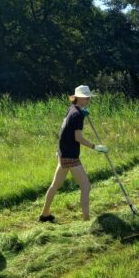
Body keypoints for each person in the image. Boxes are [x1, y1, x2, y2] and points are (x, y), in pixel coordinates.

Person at [40, 85, 103, 223]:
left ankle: (44, 214)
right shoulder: (77, 115)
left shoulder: (72, 110)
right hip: (69, 155)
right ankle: (86, 220)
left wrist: (83, 114)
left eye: (88, 98)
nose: (88, 100)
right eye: (85, 97)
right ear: (78, 98)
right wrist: (95, 147)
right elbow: (78, 138)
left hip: (63, 153)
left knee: (55, 185)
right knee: (86, 186)